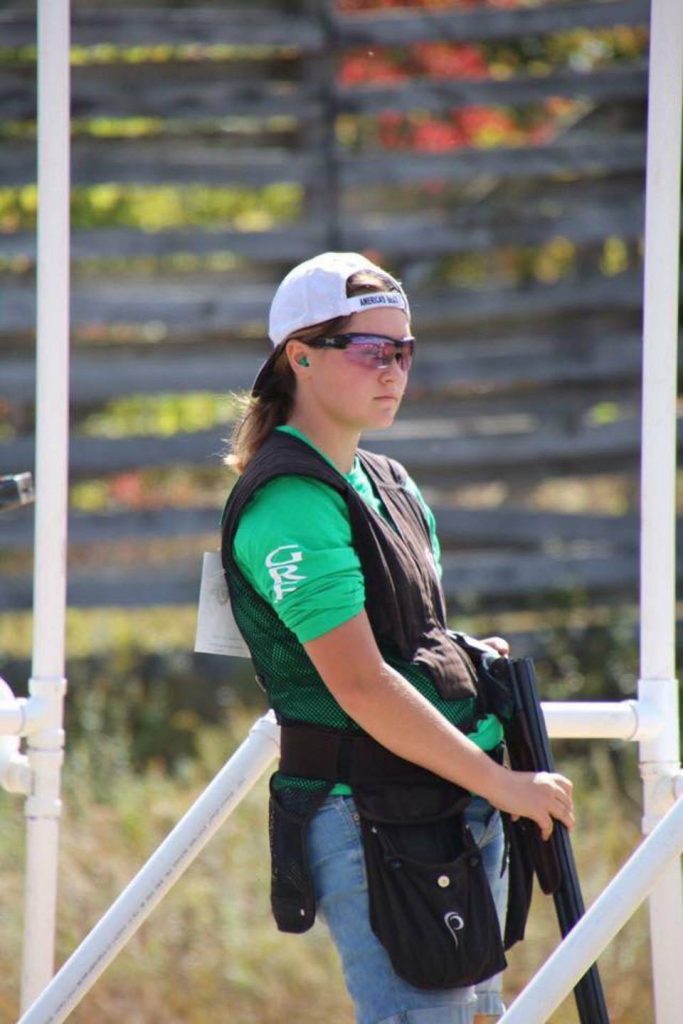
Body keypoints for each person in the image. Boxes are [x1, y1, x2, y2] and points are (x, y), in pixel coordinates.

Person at [220, 252, 574, 1024]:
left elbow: (407, 638)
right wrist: (504, 787)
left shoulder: (389, 480)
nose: (395, 370)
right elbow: (357, 683)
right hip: (374, 812)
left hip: (440, 799)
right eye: (371, 350)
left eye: (404, 350)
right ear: (300, 357)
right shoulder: (288, 501)